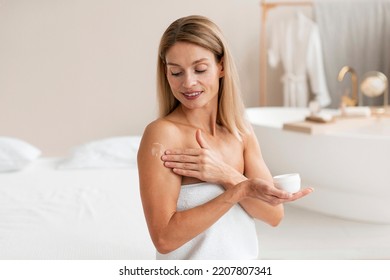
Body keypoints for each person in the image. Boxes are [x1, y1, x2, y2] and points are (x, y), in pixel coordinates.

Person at [137, 15, 313, 260]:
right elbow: (164, 238)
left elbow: (274, 216)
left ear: (221, 66)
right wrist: (238, 192)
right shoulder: (163, 134)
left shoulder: (240, 131)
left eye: (200, 69)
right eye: (176, 72)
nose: (188, 83)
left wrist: (226, 175)